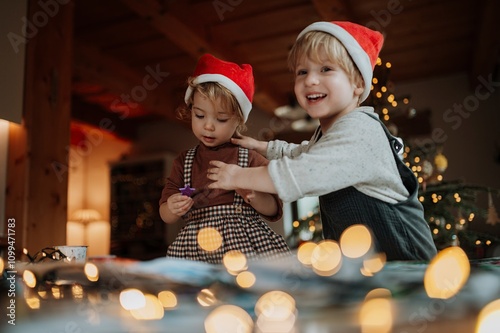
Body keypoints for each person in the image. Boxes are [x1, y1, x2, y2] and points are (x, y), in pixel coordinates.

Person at [207, 21, 437, 261]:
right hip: (370, 269)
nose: (310, 80)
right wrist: (264, 147)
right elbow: (307, 152)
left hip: (409, 266)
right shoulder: (331, 134)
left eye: (326, 69)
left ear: (358, 83)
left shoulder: (360, 131)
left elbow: (305, 171)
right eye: (302, 72)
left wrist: (236, 176)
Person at [159, 53, 290, 264]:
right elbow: (165, 213)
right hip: (196, 247)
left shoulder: (249, 157)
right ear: (191, 110)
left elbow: (274, 209)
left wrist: (253, 194)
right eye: (200, 116)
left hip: (242, 248)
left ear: (238, 120)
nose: (208, 126)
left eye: (221, 119)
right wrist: (171, 208)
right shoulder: (184, 161)